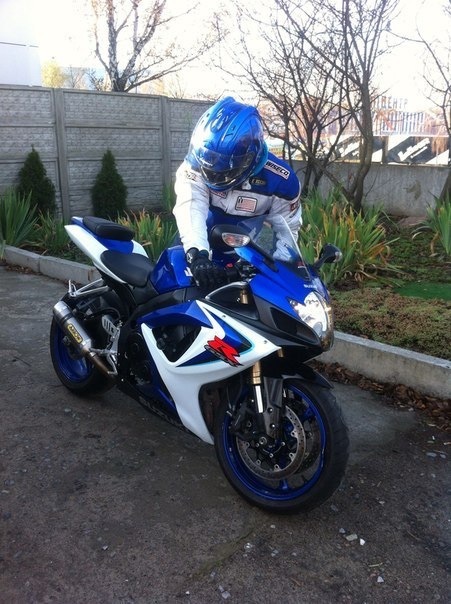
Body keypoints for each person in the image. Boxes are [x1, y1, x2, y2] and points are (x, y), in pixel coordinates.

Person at [173, 96, 302, 288]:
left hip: (244, 254)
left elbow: (287, 231)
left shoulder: (282, 181)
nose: (214, 172)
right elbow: (191, 206)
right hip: (195, 244)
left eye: (224, 167)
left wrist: (278, 272)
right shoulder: (195, 165)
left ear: (250, 157)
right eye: (210, 162)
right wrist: (197, 253)